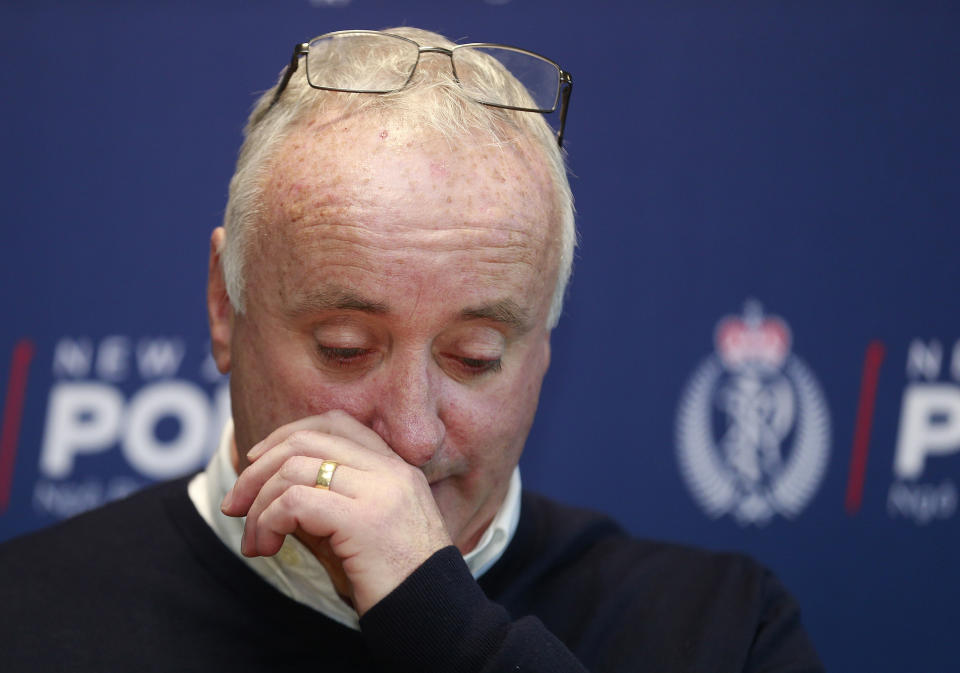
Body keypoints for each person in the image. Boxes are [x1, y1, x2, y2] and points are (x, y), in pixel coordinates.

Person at [0, 27, 823, 672]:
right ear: (225, 306)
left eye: (473, 357)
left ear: (544, 348)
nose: (410, 434)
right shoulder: (27, 618)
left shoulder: (719, 625)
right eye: (346, 347)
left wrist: (442, 622)